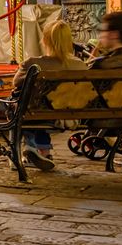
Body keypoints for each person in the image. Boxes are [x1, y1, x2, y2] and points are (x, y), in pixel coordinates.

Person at [19, 14, 83, 172]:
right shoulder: (80, 65)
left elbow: (17, 84)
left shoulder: (33, 64)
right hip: (66, 114)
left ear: (45, 40)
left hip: (35, 112)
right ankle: (45, 153)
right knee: (42, 104)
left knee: (25, 105)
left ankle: (30, 146)